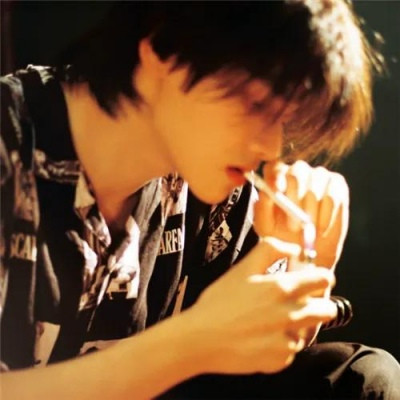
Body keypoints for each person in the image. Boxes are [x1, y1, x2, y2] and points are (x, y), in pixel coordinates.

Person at [1, 1, 399, 399]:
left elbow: (263, 353)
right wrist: (189, 345)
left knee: (363, 377)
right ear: (162, 46)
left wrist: (307, 262)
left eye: (283, 120)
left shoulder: (210, 181)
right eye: (256, 105)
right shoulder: (10, 142)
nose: (271, 146)